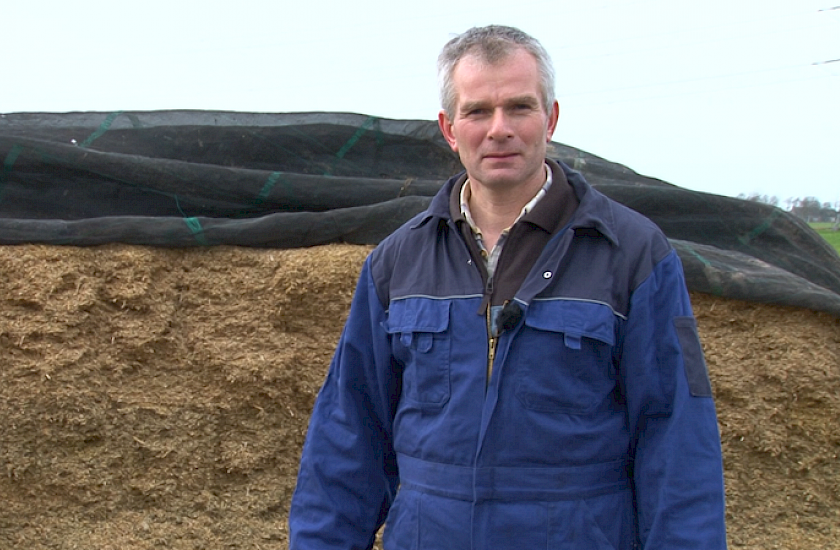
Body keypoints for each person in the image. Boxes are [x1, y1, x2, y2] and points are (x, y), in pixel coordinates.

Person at [288, 25, 727, 550]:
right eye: (477, 112)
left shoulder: (633, 255)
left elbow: (678, 439)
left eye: (519, 107)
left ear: (552, 119)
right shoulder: (397, 263)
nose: (499, 129)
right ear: (449, 129)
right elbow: (348, 435)